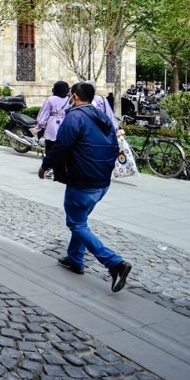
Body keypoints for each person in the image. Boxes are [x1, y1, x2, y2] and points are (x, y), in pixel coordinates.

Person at [38, 82, 132, 293]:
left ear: (74, 96)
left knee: (76, 223)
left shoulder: (75, 116)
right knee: (81, 220)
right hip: (101, 181)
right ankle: (75, 259)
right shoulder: (103, 117)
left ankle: (115, 263)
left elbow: (62, 146)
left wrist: (45, 166)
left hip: (83, 180)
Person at [36, 81, 70, 156]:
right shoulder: (69, 100)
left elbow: (44, 114)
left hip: (52, 126)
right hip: (65, 126)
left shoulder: (50, 99)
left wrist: (40, 127)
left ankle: (49, 165)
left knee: (50, 148)